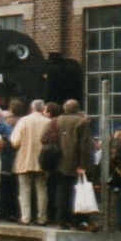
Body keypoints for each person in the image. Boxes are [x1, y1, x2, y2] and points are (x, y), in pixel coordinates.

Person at [50, 99, 92, 230]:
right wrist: (83, 165)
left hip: (57, 161)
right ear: (78, 109)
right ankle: (75, 221)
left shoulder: (55, 121)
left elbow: (44, 137)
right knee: (76, 192)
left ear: (64, 108)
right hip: (75, 163)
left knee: (61, 192)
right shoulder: (82, 122)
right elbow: (84, 146)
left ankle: (61, 221)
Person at [10, 99, 50, 226]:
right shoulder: (48, 122)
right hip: (43, 160)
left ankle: (25, 218)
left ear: (32, 108)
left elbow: (15, 141)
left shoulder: (24, 120)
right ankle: (42, 218)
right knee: (42, 189)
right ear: (43, 109)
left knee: (25, 190)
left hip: (25, 158)